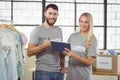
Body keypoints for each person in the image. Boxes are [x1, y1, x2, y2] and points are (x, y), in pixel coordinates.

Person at [27, 4, 65, 80]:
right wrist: (44, 46)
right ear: (45, 14)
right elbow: (29, 52)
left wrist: (63, 67)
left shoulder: (59, 30)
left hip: (58, 72)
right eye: (50, 13)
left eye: (54, 14)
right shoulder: (37, 30)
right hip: (43, 72)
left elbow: (60, 53)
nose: (52, 16)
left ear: (57, 15)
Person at [63, 12, 98, 80]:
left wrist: (74, 55)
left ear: (90, 24)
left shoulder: (92, 39)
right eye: (81, 21)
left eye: (86, 22)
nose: (83, 24)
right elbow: (65, 51)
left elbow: (89, 62)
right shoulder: (72, 36)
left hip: (84, 77)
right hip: (71, 76)